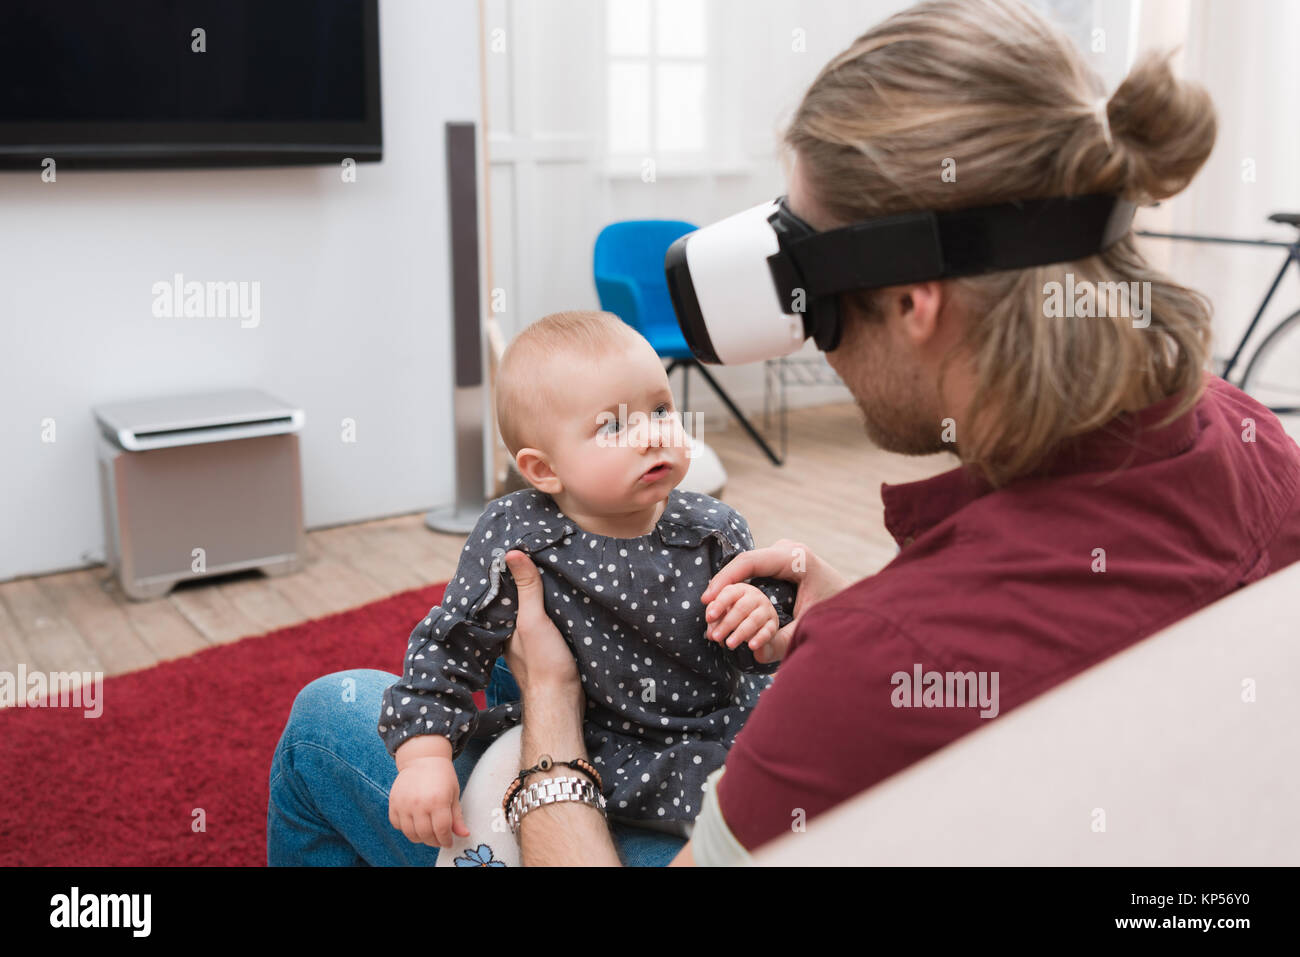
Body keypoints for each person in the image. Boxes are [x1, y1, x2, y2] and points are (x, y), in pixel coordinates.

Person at [269, 0, 1300, 866]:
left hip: (668, 793)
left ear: (914, 303)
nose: (802, 320)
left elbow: (894, 677)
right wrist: (852, 614)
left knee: (333, 717)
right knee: (483, 654)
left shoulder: (873, 670)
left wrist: (551, 703)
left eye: (801, 276)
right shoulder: (1251, 442)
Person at [376, 310, 793, 867]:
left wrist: (763, 616)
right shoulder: (518, 538)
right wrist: (423, 760)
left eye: (661, 410)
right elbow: (447, 648)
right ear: (544, 470)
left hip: (711, 729)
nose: (653, 435)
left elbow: (764, 643)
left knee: (774, 794)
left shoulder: (713, 528)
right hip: (592, 741)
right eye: (613, 426)